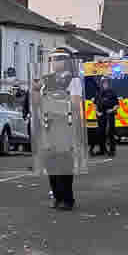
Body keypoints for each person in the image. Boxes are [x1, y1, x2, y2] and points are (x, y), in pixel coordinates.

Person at [31, 47, 86, 211]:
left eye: (59, 59)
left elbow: (75, 103)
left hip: (65, 124)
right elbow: (36, 102)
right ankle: (56, 195)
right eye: (53, 59)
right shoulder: (45, 80)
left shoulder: (72, 80)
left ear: (66, 62)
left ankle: (67, 198)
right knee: (51, 163)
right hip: (48, 125)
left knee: (64, 162)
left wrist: (53, 104)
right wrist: (34, 90)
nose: (55, 62)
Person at [95, 77, 119, 157]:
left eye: (106, 83)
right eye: (103, 83)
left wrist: (112, 110)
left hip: (109, 114)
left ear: (108, 84)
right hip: (101, 115)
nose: (105, 84)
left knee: (110, 132)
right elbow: (95, 104)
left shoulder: (112, 92)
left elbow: (117, 105)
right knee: (100, 133)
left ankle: (112, 150)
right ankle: (102, 150)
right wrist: (97, 112)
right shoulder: (99, 93)